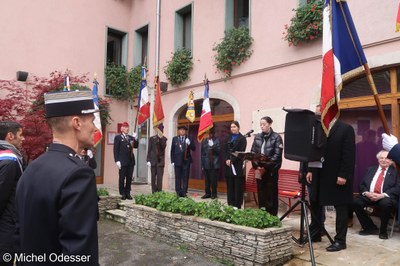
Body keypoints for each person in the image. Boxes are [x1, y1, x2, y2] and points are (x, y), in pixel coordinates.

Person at [15, 90, 99, 264]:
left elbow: (20, 232)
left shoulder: (32, 168)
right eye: (92, 121)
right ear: (76, 123)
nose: (96, 128)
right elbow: (79, 253)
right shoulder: (78, 174)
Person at [314, 120, 355, 252]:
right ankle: (316, 233)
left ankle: (340, 241)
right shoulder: (319, 128)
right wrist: (309, 170)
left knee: (341, 208)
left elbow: (349, 154)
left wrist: (343, 174)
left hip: (338, 176)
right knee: (316, 204)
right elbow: (313, 150)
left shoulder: (346, 128)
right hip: (321, 174)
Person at [353, 150, 400, 240]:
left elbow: (397, 188)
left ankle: (383, 231)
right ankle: (370, 228)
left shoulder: (396, 172)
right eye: (381, 158)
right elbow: (362, 184)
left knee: (385, 204)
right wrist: (366, 193)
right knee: (355, 202)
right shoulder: (370, 169)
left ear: (391, 161)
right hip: (369, 195)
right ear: (378, 160)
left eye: (386, 158)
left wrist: (382, 195)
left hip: (385, 197)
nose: (384, 160)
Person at [0, 121, 24, 266]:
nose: (23, 138)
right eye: (20, 135)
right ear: (10, 136)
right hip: (5, 227)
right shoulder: (9, 161)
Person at [250, 116, 283, 215]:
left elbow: (277, 156)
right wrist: (257, 166)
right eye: (260, 124)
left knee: (271, 195)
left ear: (270, 124)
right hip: (259, 171)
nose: (262, 126)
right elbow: (253, 153)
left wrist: (265, 168)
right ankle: (262, 215)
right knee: (261, 194)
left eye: (264, 124)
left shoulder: (276, 137)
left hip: (271, 171)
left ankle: (272, 217)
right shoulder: (258, 137)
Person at [224, 121, 247, 208]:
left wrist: (232, 160)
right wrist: (227, 159)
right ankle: (230, 204)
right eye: (231, 127)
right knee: (230, 185)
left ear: (238, 127)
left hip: (237, 165)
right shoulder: (228, 138)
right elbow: (225, 150)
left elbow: (241, 152)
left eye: (234, 127)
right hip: (228, 165)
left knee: (237, 185)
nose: (232, 128)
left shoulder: (242, 138)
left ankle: (237, 205)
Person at [113, 122, 138, 200]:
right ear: (122, 129)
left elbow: (136, 146)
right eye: (125, 127)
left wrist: (135, 138)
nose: (127, 129)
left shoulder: (130, 137)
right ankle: (122, 193)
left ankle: (128, 193)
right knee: (122, 178)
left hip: (130, 161)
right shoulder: (118, 138)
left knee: (129, 178)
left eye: (128, 127)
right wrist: (117, 160)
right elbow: (115, 150)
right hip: (122, 161)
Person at [170, 125, 195, 197]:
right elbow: (172, 151)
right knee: (178, 177)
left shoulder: (189, 138)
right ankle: (178, 191)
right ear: (178, 131)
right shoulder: (175, 139)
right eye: (181, 130)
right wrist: (172, 161)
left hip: (186, 161)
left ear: (185, 131)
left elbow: (194, 148)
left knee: (185, 177)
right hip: (177, 161)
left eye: (183, 130)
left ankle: (184, 192)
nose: (182, 131)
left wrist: (189, 143)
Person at [200, 127, 221, 199]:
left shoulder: (217, 140)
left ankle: (214, 193)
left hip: (214, 163)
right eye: (207, 133)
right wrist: (202, 164)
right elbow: (202, 154)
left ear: (212, 133)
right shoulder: (204, 141)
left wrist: (213, 146)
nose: (208, 135)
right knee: (207, 180)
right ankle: (207, 193)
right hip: (206, 163)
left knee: (213, 180)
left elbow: (219, 151)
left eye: (210, 133)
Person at [147, 129, 167, 193]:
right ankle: (153, 192)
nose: (160, 131)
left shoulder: (164, 139)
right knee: (153, 178)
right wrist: (148, 160)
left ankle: (159, 192)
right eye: (159, 130)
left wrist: (160, 138)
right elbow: (149, 150)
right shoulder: (152, 138)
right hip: (153, 161)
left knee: (159, 178)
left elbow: (163, 146)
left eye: (161, 130)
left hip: (160, 162)